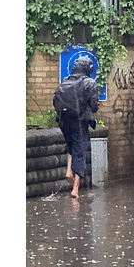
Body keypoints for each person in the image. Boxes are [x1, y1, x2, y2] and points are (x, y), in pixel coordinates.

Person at [56, 57, 99, 198]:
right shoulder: (89, 83)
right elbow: (94, 106)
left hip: (64, 121)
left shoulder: (65, 82)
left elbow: (55, 100)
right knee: (80, 149)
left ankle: (68, 170)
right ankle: (75, 189)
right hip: (80, 121)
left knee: (70, 144)